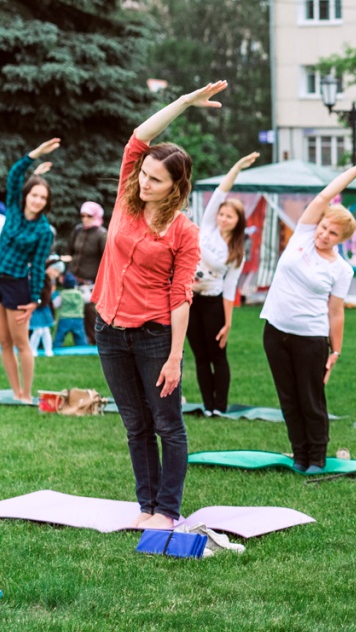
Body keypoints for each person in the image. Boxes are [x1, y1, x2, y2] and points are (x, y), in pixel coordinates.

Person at [92, 83, 217, 530]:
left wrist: (175, 356)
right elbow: (138, 138)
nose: (145, 183)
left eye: (155, 179)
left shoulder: (184, 232)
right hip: (108, 328)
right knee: (134, 424)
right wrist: (183, 103)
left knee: (167, 425)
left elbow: (180, 294)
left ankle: (167, 509)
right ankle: (145, 506)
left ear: (175, 187)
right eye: (143, 174)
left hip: (153, 335)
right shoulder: (127, 201)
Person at [261, 163, 356, 473]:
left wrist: (335, 351)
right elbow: (323, 197)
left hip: (311, 338)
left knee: (311, 400)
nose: (324, 234)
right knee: (288, 399)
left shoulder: (340, 269)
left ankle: (317, 457)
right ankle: (299, 454)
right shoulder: (303, 235)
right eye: (323, 227)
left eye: (332, 233)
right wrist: (355, 170)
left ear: (341, 238)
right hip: (275, 331)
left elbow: (336, 312)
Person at [0, 141, 58, 402]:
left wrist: (35, 300)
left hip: (16, 286)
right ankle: (14, 391)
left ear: (46, 202)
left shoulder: (43, 231)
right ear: (27, 195)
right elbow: (14, 174)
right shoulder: (13, 208)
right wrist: (35, 155)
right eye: (34, 195)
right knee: (3, 342)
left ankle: (26, 393)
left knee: (21, 343)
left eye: (43, 197)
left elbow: (37, 267)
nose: (37, 200)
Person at [188, 151, 259, 416]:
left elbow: (230, 288)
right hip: (190, 299)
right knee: (200, 356)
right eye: (222, 214)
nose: (223, 219)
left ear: (238, 221)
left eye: (229, 216)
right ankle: (207, 406)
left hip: (214, 303)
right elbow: (221, 191)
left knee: (218, 355)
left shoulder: (237, 250)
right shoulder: (206, 227)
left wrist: (228, 322)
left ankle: (220, 406)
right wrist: (238, 166)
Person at [67, 201, 108, 345]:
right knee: (74, 309)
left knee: (90, 310)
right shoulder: (78, 230)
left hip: (92, 281)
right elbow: (71, 251)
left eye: (88, 215)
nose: (84, 218)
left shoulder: (102, 234)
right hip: (74, 277)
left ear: (96, 215)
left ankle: (95, 339)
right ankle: (81, 339)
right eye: (82, 215)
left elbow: (107, 259)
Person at [29, 259, 65, 357]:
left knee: (45, 330)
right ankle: (32, 350)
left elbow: (48, 299)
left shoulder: (48, 281)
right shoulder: (40, 278)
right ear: (49, 269)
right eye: (56, 271)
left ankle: (48, 350)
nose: (57, 275)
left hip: (44, 308)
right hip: (37, 308)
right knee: (38, 330)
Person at [54, 272, 87, 347]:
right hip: (78, 318)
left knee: (60, 335)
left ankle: (56, 346)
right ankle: (83, 347)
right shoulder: (80, 294)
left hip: (65, 318)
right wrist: (85, 289)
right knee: (80, 335)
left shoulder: (62, 294)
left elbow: (55, 304)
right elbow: (88, 298)